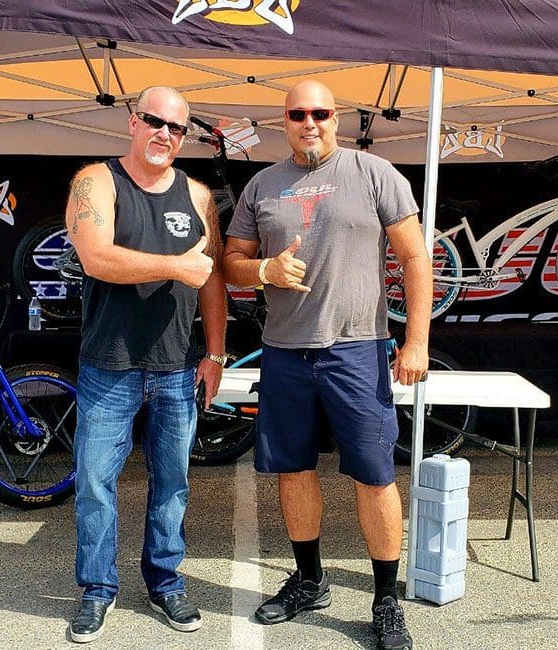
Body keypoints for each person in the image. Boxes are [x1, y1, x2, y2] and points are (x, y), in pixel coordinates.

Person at [222, 79, 431, 650]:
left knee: (375, 474)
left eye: (320, 112)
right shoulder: (262, 185)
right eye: (297, 114)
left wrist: (416, 342)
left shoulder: (373, 173)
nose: (308, 122)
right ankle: (310, 579)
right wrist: (263, 270)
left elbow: (415, 257)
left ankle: (386, 599)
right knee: (294, 470)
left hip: (358, 349)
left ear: (337, 118)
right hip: (286, 351)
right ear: (282, 121)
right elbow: (231, 262)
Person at [63, 86, 227, 643]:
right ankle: (97, 590)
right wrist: (175, 267)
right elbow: (96, 256)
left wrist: (215, 352)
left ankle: (165, 581)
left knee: (173, 482)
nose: (164, 134)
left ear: (184, 136)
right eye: (154, 121)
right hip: (109, 366)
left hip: (179, 367)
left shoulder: (199, 196)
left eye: (176, 128)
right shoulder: (96, 182)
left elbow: (212, 278)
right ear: (133, 123)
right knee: (94, 483)